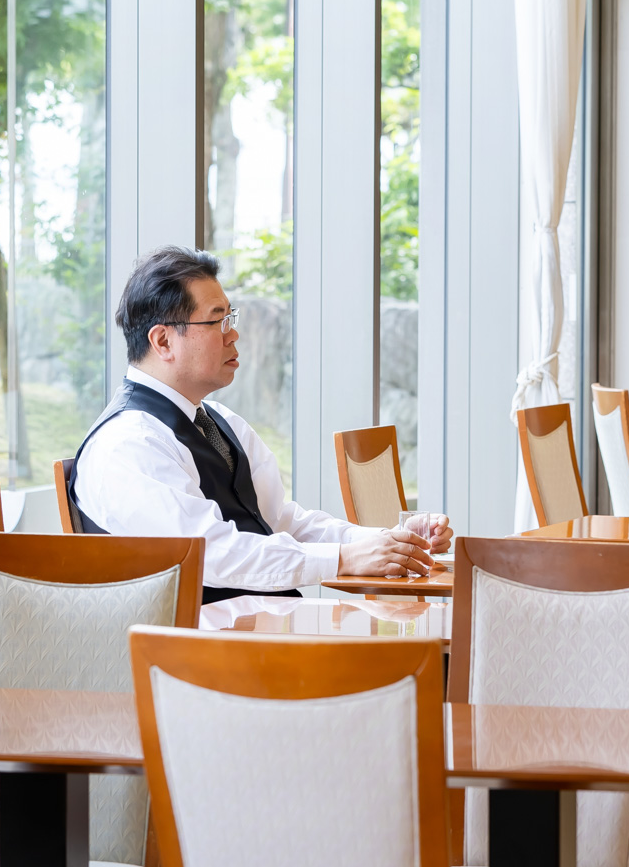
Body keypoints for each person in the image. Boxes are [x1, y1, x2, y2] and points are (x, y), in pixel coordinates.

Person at [70, 246, 448, 603]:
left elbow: (280, 521)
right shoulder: (128, 444)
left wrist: (389, 541)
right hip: (200, 653)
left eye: (230, 318)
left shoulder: (219, 419)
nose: (233, 334)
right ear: (163, 341)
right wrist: (344, 559)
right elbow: (210, 553)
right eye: (217, 320)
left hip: (259, 630)